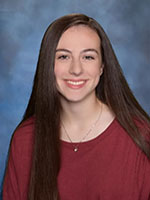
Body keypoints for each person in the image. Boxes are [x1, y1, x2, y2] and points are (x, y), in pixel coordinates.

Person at [2, 13, 150, 200]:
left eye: (88, 57)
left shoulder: (140, 136)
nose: (76, 69)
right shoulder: (25, 140)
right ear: (49, 65)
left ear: (102, 66)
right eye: (63, 57)